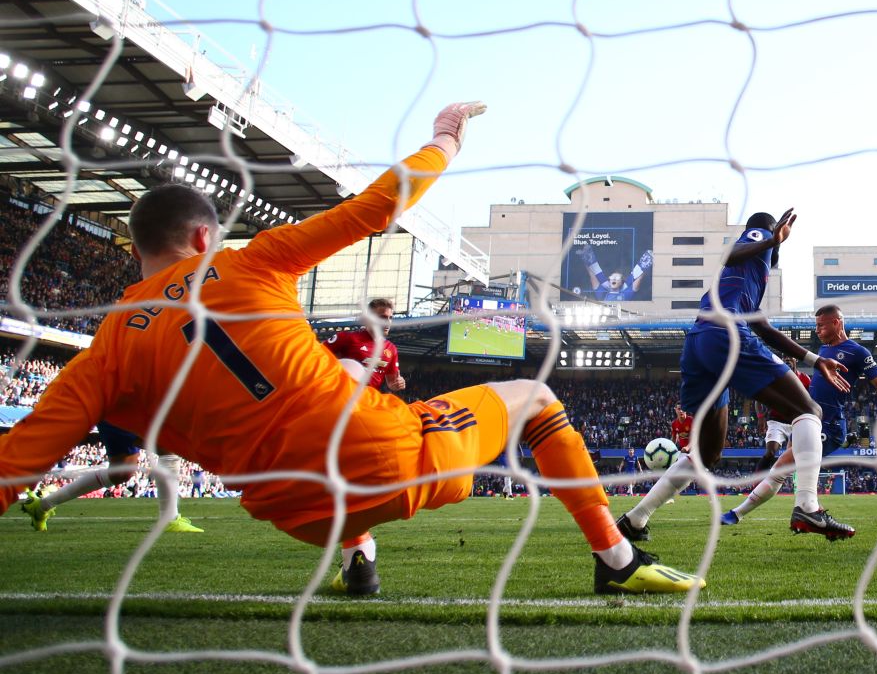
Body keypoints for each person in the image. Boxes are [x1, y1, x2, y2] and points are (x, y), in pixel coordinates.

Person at [0, 102, 702, 597]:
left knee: (311, 418)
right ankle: (614, 557)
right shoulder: (252, 260)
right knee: (536, 397)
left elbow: (16, 460)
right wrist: (446, 139)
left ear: (134, 251)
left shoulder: (104, 353)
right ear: (206, 239)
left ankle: (357, 554)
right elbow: (378, 209)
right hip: (379, 458)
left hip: (292, 512)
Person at [613, 210, 853, 542]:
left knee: (707, 453)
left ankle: (634, 519)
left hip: (699, 342)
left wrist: (814, 359)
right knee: (809, 411)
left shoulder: (749, 279)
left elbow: (763, 327)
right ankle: (807, 507)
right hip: (726, 334)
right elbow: (733, 252)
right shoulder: (757, 242)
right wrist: (770, 237)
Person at [721, 305, 877, 531]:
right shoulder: (823, 351)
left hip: (829, 425)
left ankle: (797, 511)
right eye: (816, 325)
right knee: (781, 468)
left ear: (837, 322)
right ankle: (751, 513)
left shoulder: (858, 352)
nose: (817, 330)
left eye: (821, 325)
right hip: (809, 421)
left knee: (781, 468)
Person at [20, 421, 203, 532]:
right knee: (167, 449)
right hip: (123, 401)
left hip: (118, 402)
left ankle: (41, 507)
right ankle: (169, 519)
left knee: (121, 472)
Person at [322, 298, 406, 392]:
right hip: (343, 396)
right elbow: (317, 354)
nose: (387, 322)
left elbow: (392, 383)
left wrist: (398, 383)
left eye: (390, 318)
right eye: (382, 317)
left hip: (368, 400)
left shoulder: (391, 349)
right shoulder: (347, 338)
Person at [753, 356, 811, 475]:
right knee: (770, 453)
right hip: (776, 422)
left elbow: (812, 400)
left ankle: (796, 483)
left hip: (796, 423)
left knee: (797, 458)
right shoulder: (774, 377)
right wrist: (760, 417)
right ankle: (756, 482)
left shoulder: (805, 379)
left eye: (790, 357)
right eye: (784, 357)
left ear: (796, 360)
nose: (787, 359)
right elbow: (758, 397)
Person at [575, 244, 653, 301]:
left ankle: (645, 261)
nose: (614, 279)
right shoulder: (603, 293)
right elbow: (592, 276)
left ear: (621, 282)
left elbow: (636, 284)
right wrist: (585, 261)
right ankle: (589, 256)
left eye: (617, 278)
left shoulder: (624, 294)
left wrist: (645, 267)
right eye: (612, 278)